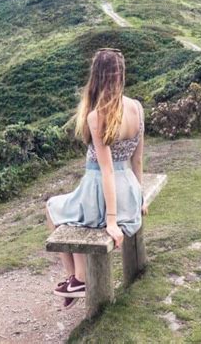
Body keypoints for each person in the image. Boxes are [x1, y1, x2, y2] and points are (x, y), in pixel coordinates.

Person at [45, 47, 146, 309]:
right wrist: (140, 195)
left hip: (102, 193)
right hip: (129, 192)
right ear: (121, 75)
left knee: (54, 209)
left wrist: (111, 221)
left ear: (96, 77)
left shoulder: (96, 116)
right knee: (70, 211)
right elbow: (137, 159)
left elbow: (107, 170)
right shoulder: (136, 107)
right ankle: (75, 279)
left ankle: (76, 278)